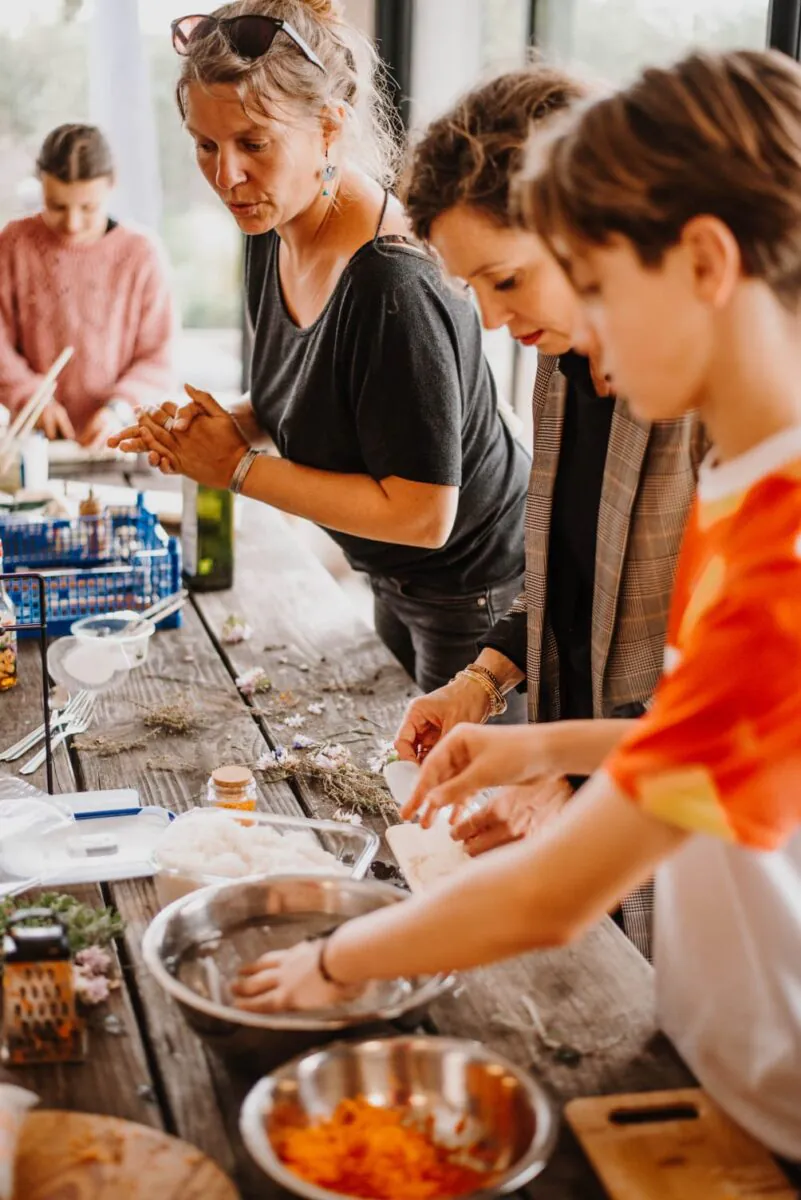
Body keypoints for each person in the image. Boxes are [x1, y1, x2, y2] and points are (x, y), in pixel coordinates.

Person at [231, 49, 801, 1167]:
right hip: (723, 1054)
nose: (575, 328)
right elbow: (733, 744)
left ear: (700, 261)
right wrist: (533, 739)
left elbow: (556, 895)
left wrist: (339, 960)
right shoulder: (751, 482)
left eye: (591, 280)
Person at [110, 0, 530, 701]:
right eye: (205, 145)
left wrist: (237, 468)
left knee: (448, 801)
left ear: (329, 126)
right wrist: (223, 427)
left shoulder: (392, 283)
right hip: (390, 574)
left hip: (475, 591)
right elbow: (315, 394)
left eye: (253, 142)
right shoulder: (270, 226)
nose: (226, 176)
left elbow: (423, 515)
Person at [395, 68, 705, 955]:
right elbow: (564, 579)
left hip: (686, 834)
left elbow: (743, 703)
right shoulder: (559, 362)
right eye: (474, 292)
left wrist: (574, 779)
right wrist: (481, 682)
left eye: (505, 279)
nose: (493, 320)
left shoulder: (714, 398)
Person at [0, 124, 174, 448]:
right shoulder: (13, 244)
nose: (72, 223)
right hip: (34, 445)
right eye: (57, 206)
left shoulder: (142, 254)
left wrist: (120, 409)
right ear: (41, 188)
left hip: (122, 442)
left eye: (88, 208)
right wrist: (28, 396)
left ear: (112, 184)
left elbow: (158, 358)